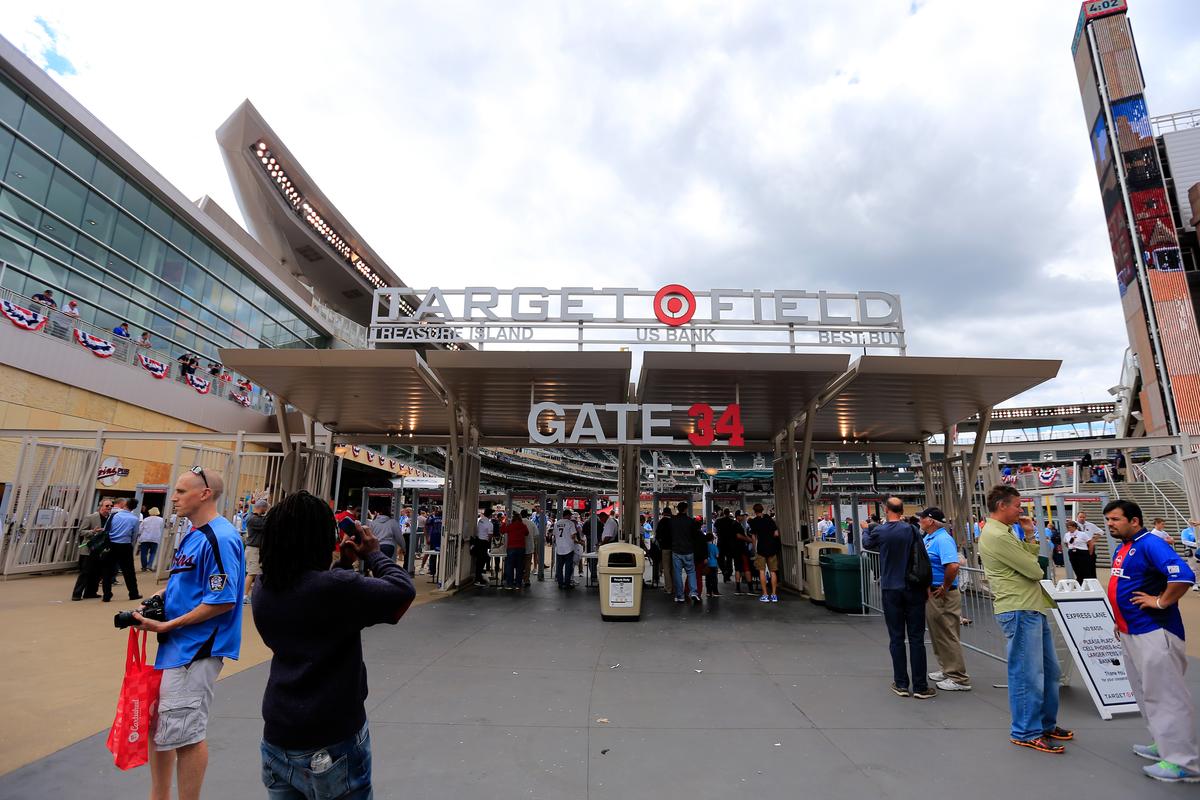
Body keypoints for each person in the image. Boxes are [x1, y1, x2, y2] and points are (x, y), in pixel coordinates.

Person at [253, 491, 415, 799]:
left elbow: (316, 608)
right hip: (331, 739)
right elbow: (401, 592)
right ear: (321, 539)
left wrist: (342, 565)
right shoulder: (335, 589)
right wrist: (374, 555)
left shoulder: (263, 588)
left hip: (278, 736)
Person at [133, 468, 244, 800]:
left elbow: (222, 600)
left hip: (195, 649)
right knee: (163, 728)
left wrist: (166, 625)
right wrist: (158, 599)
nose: (174, 497)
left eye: (181, 491)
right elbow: (185, 581)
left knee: (186, 734)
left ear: (204, 494)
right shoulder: (195, 534)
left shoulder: (220, 537)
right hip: (177, 648)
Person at [1102, 499, 1200, 782]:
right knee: (1147, 693)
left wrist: (1160, 602)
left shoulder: (1150, 543)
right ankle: (1165, 744)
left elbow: (1183, 575)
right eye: (1107, 520)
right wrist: (1120, 621)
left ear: (1134, 521)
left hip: (1155, 633)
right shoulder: (1124, 547)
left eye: (1116, 519)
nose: (1110, 524)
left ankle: (1184, 762)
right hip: (1132, 631)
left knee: (1167, 697)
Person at [978, 484, 1070, 754]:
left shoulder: (1004, 533)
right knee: (1027, 673)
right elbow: (1035, 569)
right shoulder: (997, 535)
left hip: (1029, 607)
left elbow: (1032, 562)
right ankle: (1026, 730)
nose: (1021, 510)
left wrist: (1028, 534)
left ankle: (1043, 724)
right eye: (1018, 505)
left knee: (1049, 671)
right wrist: (1033, 556)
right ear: (1002, 506)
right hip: (1019, 609)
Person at [865, 497, 933, 699]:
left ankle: (901, 683)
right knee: (916, 638)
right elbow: (922, 556)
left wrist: (866, 528)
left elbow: (867, 543)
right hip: (913, 587)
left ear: (886, 510)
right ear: (902, 510)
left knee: (896, 637)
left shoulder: (880, 531)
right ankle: (920, 685)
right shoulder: (911, 530)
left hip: (891, 587)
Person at [918, 507, 970, 691]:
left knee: (947, 634)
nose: (920, 521)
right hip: (933, 592)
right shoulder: (929, 538)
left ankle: (958, 677)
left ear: (930, 521)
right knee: (937, 633)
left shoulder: (943, 539)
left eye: (922, 518)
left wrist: (944, 587)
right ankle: (947, 668)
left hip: (943, 593)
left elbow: (953, 566)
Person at [71, 498, 112, 600]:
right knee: (85, 572)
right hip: (90, 549)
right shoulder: (90, 517)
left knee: (97, 573)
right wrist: (93, 531)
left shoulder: (110, 519)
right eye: (107, 506)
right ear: (101, 507)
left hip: (101, 549)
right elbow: (81, 532)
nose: (109, 508)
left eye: (111, 506)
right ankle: (77, 594)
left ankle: (91, 592)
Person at [102, 498, 141, 602]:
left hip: (112, 545)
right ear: (134, 508)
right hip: (125, 546)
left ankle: (106, 595)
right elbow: (135, 535)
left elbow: (106, 529)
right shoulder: (134, 519)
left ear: (125, 505)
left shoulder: (114, 515)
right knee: (129, 572)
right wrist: (130, 545)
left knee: (108, 571)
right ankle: (133, 593)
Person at [749, 502, 781, 603]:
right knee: (773, 571)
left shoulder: (754, 522)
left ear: (754, 511)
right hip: (771, 548)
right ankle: (774, 594)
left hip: (761, 549)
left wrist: (754, 549)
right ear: (762, 510)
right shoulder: (769, 519)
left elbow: (753, 537)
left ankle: (765, 595)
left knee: (762, 571)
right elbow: (776, 533)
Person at [670, 502, 700, 605]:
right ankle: (693, 592)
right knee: (691, 572)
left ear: (678, 509)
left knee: (677, 573)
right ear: (686, 509)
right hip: (688, 550)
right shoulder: (690, 521)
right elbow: (695, 535)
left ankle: (680, 596)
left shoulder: (672, 521)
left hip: (676, 550)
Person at [243, 499, 268, 604]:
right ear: (261, 507)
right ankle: (244, 596)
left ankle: (248, 595)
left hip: (256, 550)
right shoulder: (253, 519)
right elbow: (266, 524)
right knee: (252, 573)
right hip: (253, 549)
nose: (265, 511)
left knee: (255, 572)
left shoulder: (255, 518)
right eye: (265, 509)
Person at [552, 510, 581, 589]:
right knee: (568, 567)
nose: (570, 517)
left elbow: (554, 535)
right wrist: (578, 541)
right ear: (568, 515)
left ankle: (560, 583)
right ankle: (567, 583)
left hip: (559, 548)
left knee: (559, 567)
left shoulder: (556, 523)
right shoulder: (570, 523)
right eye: (570, 516)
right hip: (568, 548)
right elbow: (573, 535)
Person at [714, 508, 742, 584]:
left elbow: (715, 528)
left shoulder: (718, 521)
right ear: (729, 513)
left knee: (720, 559)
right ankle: (728, 574)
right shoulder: (732, 522)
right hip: (730, 543)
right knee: (729, 559)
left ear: (723, 512)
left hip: (721, 542)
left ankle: (724, 570)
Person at [502, 510, 527, 590]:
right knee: (519, 566)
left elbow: (502, 531)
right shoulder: (523, 526)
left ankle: (510, 583)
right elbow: (527, 533)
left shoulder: (510, 526)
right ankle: (518, 584)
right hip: (521, 548)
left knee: (510, 566)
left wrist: (504, 522)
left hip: (511, 548)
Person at [138, 506, 165, 572]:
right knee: (153, 553)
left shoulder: (146, 519)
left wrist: (139, 537)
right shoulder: (161, 520)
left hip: (145, 538)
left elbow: (140, 529)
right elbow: (163, 529)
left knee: (144, 553)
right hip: (155, 538)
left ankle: (144, 567)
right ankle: (150, 565)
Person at [656, 507, 674, 596]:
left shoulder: (661, 522)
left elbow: (657, 535)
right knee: (674, 568)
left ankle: (668, 588)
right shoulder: (673, 521)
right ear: (670, 513)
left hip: (665, 547)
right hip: (674, 548)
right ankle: (675, 586)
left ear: (663, 513)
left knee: (666, 568)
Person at [521, 509, 537, 587]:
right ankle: (526, 580)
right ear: (527, 515)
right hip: (529, 546)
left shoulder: (518, 523)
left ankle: (519, 578)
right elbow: (536, 534)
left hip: (519, 547)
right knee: (527, 565)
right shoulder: (531, 523)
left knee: (519, 564)